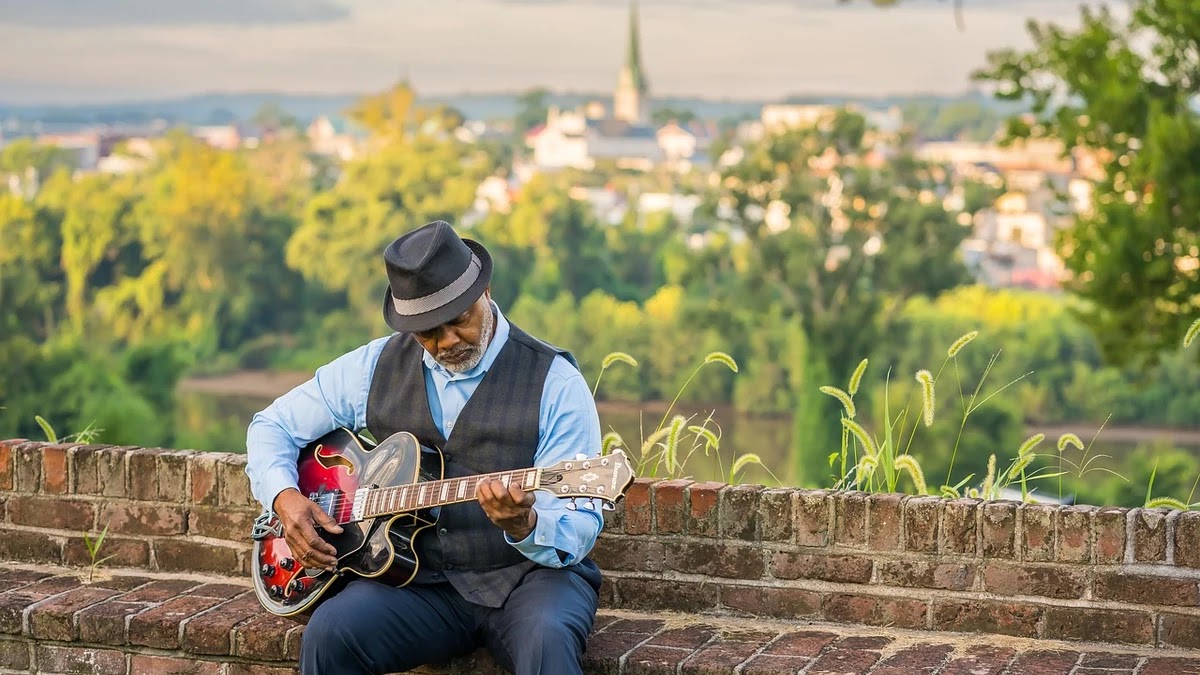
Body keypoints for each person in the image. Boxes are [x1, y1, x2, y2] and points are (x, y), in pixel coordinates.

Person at [245, 220, 604, 675]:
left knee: (549, 642)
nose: (448, 342)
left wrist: (526, 522)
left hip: (532, 579)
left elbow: (579, 521)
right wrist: (284, 496)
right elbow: (271, 424)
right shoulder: (374, 365)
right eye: (428, 332)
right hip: (418, 583)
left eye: (459, 320)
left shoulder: (556, 382)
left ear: (486, 291)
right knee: (331, 632)